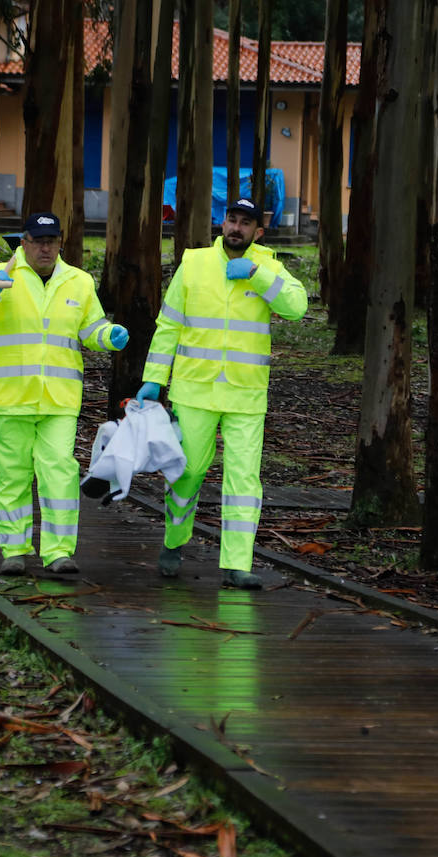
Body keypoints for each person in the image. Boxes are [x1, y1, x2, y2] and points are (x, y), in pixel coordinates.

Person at [135, 197, 307, 589]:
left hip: (246, 395)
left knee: (244, 479)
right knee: (189, 472)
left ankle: (237, 563)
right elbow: (169, 324)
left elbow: (296, 307)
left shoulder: (269, 266)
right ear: (222, 222)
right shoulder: (193, 263)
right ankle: (174, 541)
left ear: (258, 232)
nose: (237, 228)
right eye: (232, 219)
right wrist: (154, 378)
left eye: (246, 223)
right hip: (194, 390)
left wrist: (258, 275)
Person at [0, 211, 129, 576]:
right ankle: (14, 550)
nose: (45, 248)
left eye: (52, 241)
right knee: (12, 476)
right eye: (38, 241)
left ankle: (59, 553)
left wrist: (108, 335)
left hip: (59, 398)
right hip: (8, 397)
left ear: (60, 243)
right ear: (24, 243)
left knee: (60, 473)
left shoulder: (79, 282)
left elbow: (90, 327)